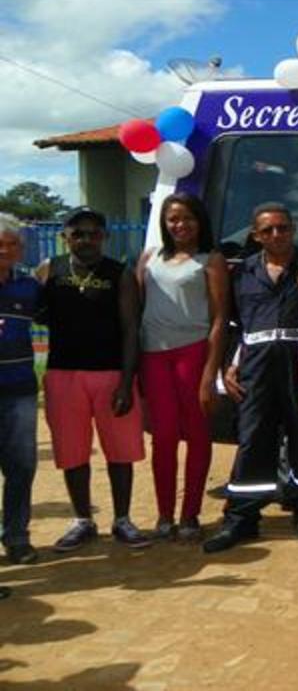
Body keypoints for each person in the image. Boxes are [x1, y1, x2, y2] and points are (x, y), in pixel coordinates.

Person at [203, 203, 298, 553]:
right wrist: (229, 363)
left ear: (293, 229)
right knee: (253, 441)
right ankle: (241, 519)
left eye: (283, 228)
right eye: (268, 230)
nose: (276, 234)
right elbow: (231, 324)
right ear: (256, 235)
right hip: (255, 368)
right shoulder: (242, 273)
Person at [38, 207, 150, 552]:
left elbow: (131, 329)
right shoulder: (50, 269)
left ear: (105, 237)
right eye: (78, 234)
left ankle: (122, 519)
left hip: (111, 373)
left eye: (93, 233)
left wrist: (127, 381)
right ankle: (82, 519)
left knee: (121, 450)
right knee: (71, 450)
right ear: (65, 237)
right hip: (63, 373)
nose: (86, 240)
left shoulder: (120, 274)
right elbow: (36, 312)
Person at [137, 194, 228, 541]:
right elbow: (137, 309)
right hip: (153, 355)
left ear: (200, 221)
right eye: (173, 219)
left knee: (197, 435)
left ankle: (190, 514)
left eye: (188, 218)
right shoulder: (149, 258)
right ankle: (164, 515)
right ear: (164, 223)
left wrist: (209, 374)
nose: (180, 225)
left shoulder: (210, 260)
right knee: (163, 438)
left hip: (193, 353)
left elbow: (219, 319)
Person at [0, 215, 39, 565]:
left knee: (22, 465)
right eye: (0, 244)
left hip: (20, 389)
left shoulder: (28, 287)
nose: (5, 250)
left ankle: (16, 536)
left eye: (12, 244)